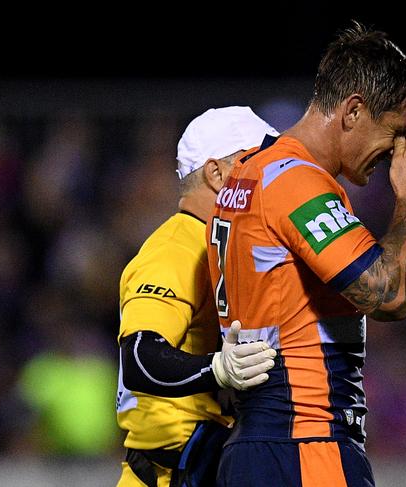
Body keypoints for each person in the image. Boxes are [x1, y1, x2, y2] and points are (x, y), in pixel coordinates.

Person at [207, 22, 406, 487]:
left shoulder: (249, 172)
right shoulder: (297, 181)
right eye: (397, 131)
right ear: (353, 110)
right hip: (307, 446)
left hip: (254, 447)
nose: (398, 151)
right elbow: (389, 296)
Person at [116, 106, 279, 487]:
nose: (271, 176)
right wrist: (218, 368)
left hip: (201, 468)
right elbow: (140, 358)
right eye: (255, 162)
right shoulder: (177, 247)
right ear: (217, 174)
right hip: (166, 474)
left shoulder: (221, 245)